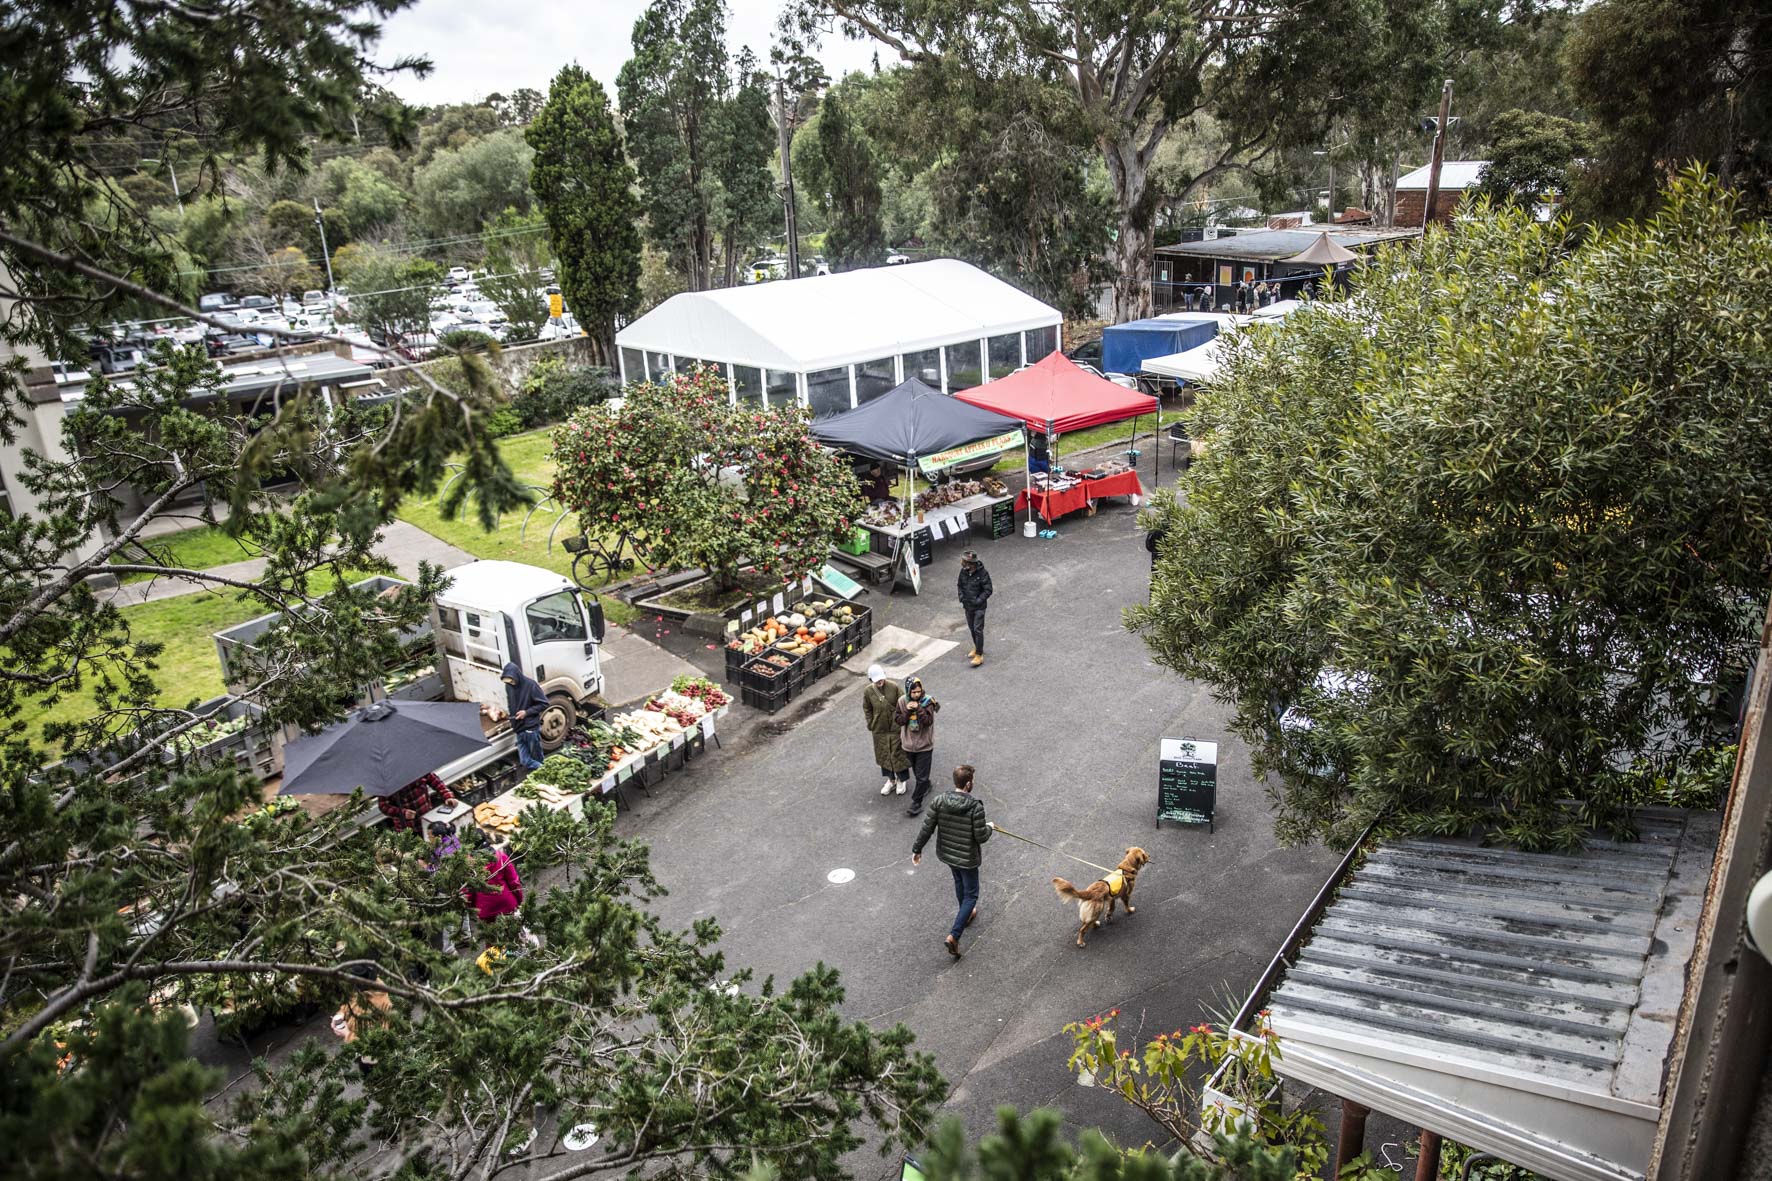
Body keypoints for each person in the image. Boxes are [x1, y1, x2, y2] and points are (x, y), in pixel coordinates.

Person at [911, 764, 993, 959]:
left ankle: (966, 914)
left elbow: (927, 827)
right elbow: (981, 836)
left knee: (958, 881)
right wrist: (990, 827)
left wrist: (917, 849)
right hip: (968, 858)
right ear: (968, 784)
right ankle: (954, 935)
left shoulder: (939, 801)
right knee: (971, 895)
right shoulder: (975, 807)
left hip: (947, 854)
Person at [894, 676, 941, 817]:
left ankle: (916, 803)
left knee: (921, 776)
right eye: (913, 692)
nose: (916, 695)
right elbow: (899, 721)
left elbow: (928, 721)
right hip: (908, 745)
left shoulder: (928, 701)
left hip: (924, 745)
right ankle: (926, 785)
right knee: (918, 772)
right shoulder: (902, 701)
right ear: (908, 691)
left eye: (918, 691)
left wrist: (919, 708)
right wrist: (908, 710)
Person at [863, 664, 910, 795]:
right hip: (879, 728)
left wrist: (902, 721)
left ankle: (901, 779)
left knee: (898, 753)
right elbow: (867, 708)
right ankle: (891, 779)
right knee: (884, 754)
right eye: (876, 680)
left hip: (895, 726)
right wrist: (870, 723)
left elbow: (903, 703)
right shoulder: (868, 691)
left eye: (881, 679)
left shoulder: (893, 687)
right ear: (871, 680)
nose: (880, 682)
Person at [463, 828, 525, 923]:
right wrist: (519, 899)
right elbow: (514, 882)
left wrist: (472, 909)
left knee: (492, 931)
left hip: (485, 909)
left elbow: (468, 893)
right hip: (507, 903)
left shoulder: (468, 866)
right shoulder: (501, 857)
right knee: (515, 927)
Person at [501, 661, 549, 771]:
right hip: (518, 728)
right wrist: (511, 717)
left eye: (512, 681)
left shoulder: (531, 685)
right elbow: (511, 703)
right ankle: (544, 769)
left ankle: (545, 771)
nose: (511, 683)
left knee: (537, 757)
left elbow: (544, 704)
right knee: (524, 761)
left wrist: (526, 713)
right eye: (508, 682)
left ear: (517, 675)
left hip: (530, 729)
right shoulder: (509, 686)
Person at [377, 771, 456, 833]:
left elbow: (436, 782)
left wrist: (448, 796)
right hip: (407, 829)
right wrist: (402, 813)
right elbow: (383, 805)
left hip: (427, 820)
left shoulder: (418, 769)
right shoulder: (387, 783)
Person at [957, 551, 993, 668]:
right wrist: (962, 598)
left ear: (970, 563)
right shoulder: (963, 572)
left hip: (979, 607)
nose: (962, 563)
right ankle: (977, 647)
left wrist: (978, 601)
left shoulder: (983, 573)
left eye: (964, 561)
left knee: (978, 629)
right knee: (972, 628)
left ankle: (979, 655)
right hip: (968, 606)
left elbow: (988, 589)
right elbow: (960, 585)